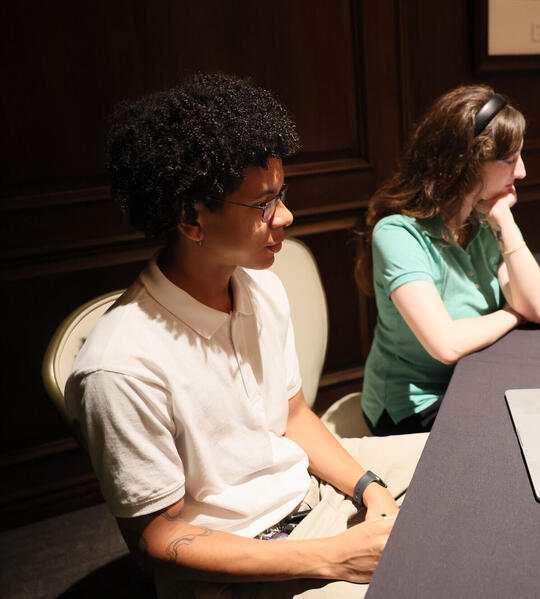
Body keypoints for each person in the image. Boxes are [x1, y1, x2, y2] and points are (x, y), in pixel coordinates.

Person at [64, 73, 426, 599]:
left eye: (283, 194)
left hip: (306, 496)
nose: (286, 216)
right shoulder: (120, 365)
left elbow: (294, 415)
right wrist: (335, 557)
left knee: (469, 457)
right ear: (192, 218)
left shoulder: (260, 289)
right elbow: (155, 539)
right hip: (243, 564)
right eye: (263, 204)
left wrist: (369, 489)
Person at [354, 85, 540, 436]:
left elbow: (538, 307)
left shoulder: (482, 218)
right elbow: (446, 344)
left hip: (472, 378)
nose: (521, 172)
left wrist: (503, 219)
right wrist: (511, 314)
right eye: (509, 160)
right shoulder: (398, 233)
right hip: (413, 405)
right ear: (468, 164)